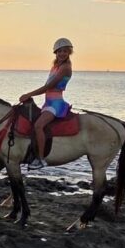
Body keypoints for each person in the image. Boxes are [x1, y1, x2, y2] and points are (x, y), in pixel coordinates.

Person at [19, 37, 73, 170]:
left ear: (69, 53)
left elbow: (48, 86)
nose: (62, 54)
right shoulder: (55, 66)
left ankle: (41, 159)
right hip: (48, 102)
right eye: (60, 51)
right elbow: (46, 87)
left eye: (65, 51)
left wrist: (29, 94)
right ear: (55, 53)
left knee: (38, 126)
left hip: (56, 104)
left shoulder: (65, 68)